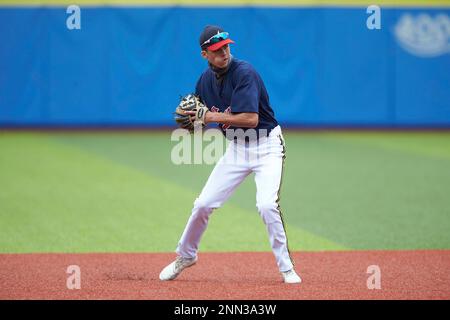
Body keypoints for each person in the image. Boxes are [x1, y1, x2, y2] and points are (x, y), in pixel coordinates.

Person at [159, 25, 301, 284]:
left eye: (226, 46)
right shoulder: (204, 81)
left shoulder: (244, 73)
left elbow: (250, 118)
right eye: (217, 49)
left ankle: (287, 268)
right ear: (205, 54)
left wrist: (209, 116)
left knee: (267, 205)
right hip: (237, 150)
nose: (224, 52)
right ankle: (186, 255)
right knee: (203, 204)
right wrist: (193, 123)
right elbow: (200, 122)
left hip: (266, 147)